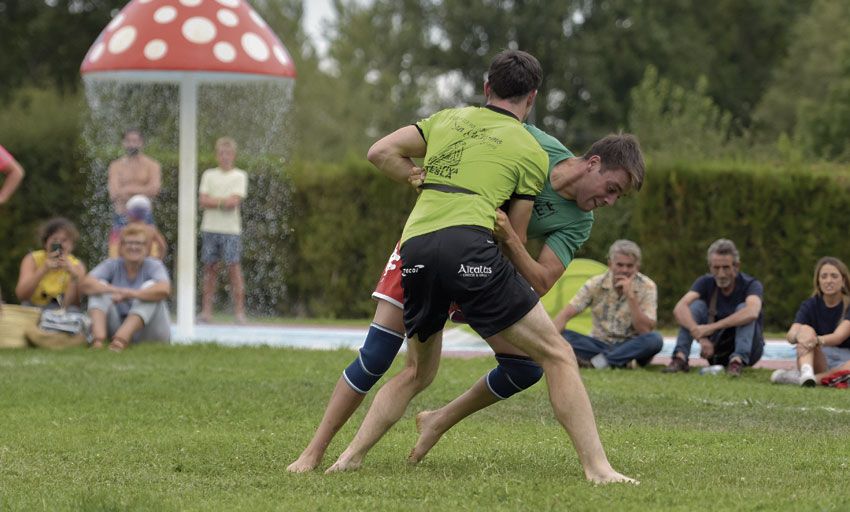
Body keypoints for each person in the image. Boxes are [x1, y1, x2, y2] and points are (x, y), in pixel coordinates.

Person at [320, 49, 641, 484]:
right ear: (594, 163)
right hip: (446, 245)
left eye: (617, 198)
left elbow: (542, 280)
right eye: (612, 188)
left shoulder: (579, 220)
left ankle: (429, 424)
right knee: (380, 355)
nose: (609, 201)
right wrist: (422, 180)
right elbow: (437, 154)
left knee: (522, 366)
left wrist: (510, 239)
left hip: (475, 261)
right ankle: (317, 453)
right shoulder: (530, 142)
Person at [552, 239, 662, 369]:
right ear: (610, 264)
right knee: (563, 334)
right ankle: (621, 361)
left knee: (655, 339)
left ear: (637, 267)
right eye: (619, 265)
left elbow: (644, 331)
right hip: (597, 344)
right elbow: (565, 315)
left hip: (631, 344)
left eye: (629, 266)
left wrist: (631, 297)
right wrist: (549, 340)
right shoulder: (595, 283)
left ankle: (597, 363)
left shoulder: (647, 286)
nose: (624, 270)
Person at [665, 238, 765, 377]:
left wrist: (711, 328)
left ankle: (737, 361)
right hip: (715, 349)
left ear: (736, 266)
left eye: (726, 268)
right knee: (695, 307)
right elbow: (680, 308)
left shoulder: (751, 284)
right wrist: (701, 337)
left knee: (744, 309)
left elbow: (752, 312)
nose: (721, 274)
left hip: (748, 349)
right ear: (709, 267)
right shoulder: (705, 282)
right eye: (716, 268)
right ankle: (680, 358)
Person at [81, 224, 172, 351]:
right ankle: (98, 342)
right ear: (121, 247)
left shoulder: (154, 265)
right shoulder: (112, 264)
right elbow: (85, 284)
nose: (134, 247)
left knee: (150, 288)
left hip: (150, 332)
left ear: (147, 248)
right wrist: (115, 290)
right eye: (129, 243)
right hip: (117, 324)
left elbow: (164, 290)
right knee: (99, 287)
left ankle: (121, 340)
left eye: (139, 243)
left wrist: (129, 294)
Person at [771, 257, 850, 386]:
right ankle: (806, 373)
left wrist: (816, 340)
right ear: (818, 281)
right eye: (824, 276)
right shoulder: (810, 304)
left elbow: (838, 337)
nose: (829, 281)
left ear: (843, 281)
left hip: (845, 359)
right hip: (819, 357)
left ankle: (803, 380)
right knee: (806, 330)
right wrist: (801, 337)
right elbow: (791, 334)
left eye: (834, 276)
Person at [198, 137, 248, 324]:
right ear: (217, 155)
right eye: (221, 153)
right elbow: (203, 201)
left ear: (234, 156)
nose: (225, 157)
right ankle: (206, 312)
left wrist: (214, 201)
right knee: (210, 270)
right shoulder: (209, 175)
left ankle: (239, 313)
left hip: (231, 230)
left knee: (234, 269)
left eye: (228, 153)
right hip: (210, 228)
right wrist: (222, 202)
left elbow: (234, 202)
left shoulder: (239, 176)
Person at [15, 217, 87, 309]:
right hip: (32, 308)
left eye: (64, 240)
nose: (59, 244)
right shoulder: (32, 259)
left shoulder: (76, 266)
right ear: (46, 242)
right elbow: (22, 295)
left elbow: (73, 304)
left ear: (72, 245)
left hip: (59, 311)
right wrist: (43, 269)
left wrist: (73, 276)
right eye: (54, 239)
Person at [107, 128, 161, 250]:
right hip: (121, 214)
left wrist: (126, 189)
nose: (132, 144)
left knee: (150, 252)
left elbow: (154, 190)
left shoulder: (152, 165)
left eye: (135, 141)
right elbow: (114, 193)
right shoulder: (116, 166)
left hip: (145, 217)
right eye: (129, 141)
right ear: (123, 143)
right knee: (117, 253)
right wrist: (142, 190)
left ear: (141, 142)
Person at [108, 194, 168, 260]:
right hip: (147, 263)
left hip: (131, 264)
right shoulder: (151, 230)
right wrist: (158, 260)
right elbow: (163, 247)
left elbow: (119, 250)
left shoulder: (126, 230)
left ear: (130, 214)